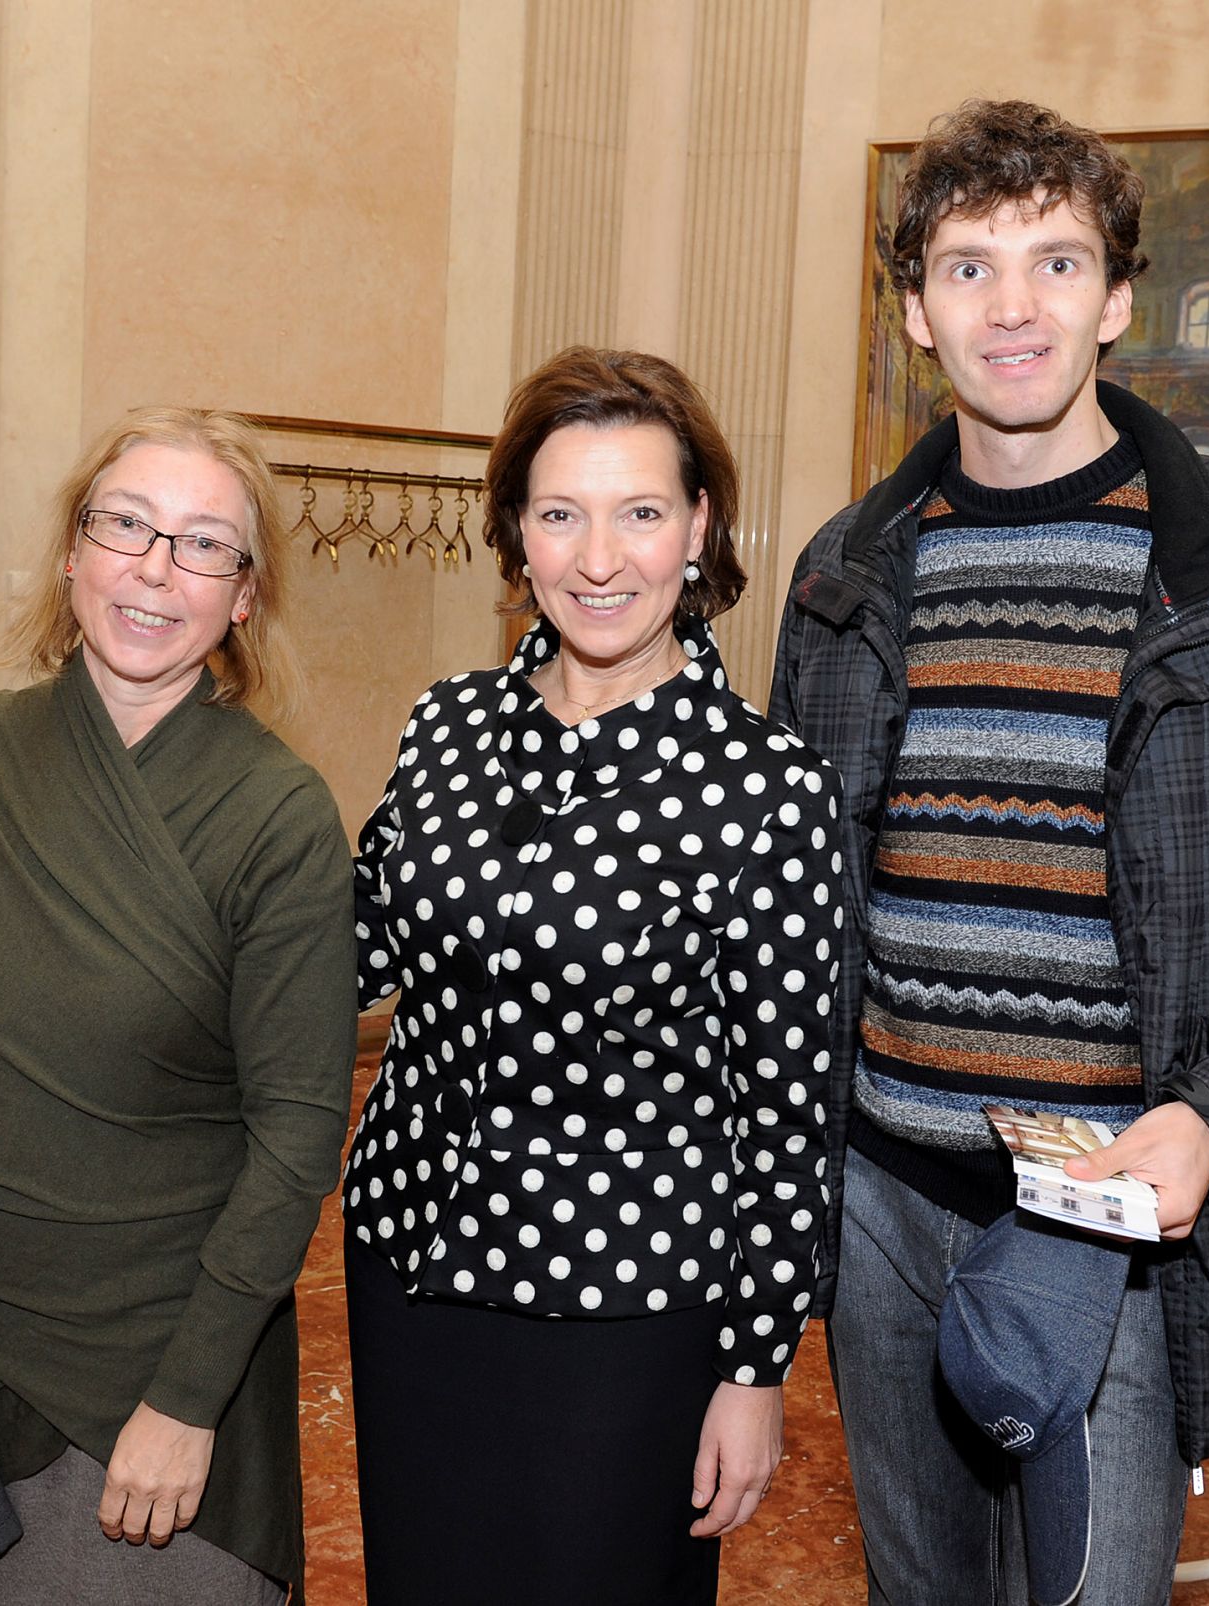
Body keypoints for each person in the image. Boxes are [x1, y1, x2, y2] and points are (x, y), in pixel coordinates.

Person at [770, 100, 1209, 1605]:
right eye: (967, 267)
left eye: (1055, 260)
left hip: (1112, 1210)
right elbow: (800, 902)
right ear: (913, 310)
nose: (1011, 306)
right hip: (879, 1194)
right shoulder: (842, 575)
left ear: (1118, 297)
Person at [0, 408, 358, 1604]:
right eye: (125, 525)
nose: (155, 568)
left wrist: (183, 1401)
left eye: (203, 543)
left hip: (150, 1372)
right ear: (71, 553)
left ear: (245, 598)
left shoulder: (277, 819)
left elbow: (293, 1144)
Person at [345, 346, 844, 1605]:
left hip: (628, 1310)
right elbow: (354, 947)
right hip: (412, 1270)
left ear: (698, 527)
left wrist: (752, 1368)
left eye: (638, 512)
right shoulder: (444, 724)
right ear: (517, 533)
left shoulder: (766, 787)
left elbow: (789, 1114)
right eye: (560, 514)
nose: (598, 557)